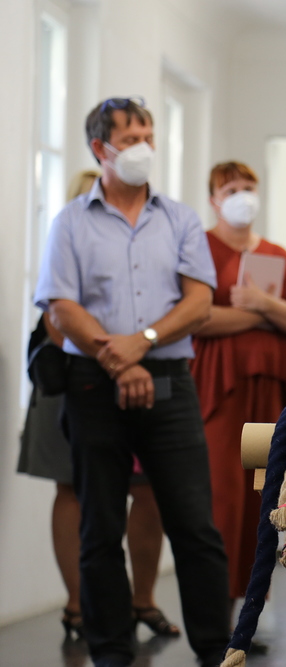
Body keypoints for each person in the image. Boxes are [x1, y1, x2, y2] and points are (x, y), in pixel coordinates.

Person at [34, 97, 230, 667]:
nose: (145, 146)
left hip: (169, 379)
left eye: (149, 134)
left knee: (194, 525)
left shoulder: (180, 219)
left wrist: (140, 343)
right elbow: (61, 305)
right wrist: (119, 360)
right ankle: (112, 653)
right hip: (91, 382)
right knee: (99, 527)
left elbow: (198, 302)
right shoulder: (70, 222)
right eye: (132, 137)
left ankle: (217, 651)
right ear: (101, 148)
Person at [19, 169, 180, 641]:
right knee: (71, 489)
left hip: (139, 381)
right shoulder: (64, 242)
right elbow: (59, 322)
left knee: (148, 490)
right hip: (70, 384)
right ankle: (78, 606)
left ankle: (142, 600)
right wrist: (115, 357)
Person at [190, 161, 286, 622]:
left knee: (263, 497)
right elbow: (199, 318)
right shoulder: (201, 247)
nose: (241, 195)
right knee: (222, 495)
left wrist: (263, 302)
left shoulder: (275, 254)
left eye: (247, 187)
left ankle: (247, 613)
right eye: (230, 189)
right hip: (221, 387)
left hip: (268, 388)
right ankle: (214, 615)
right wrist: (266, 316)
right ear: (213, 199)